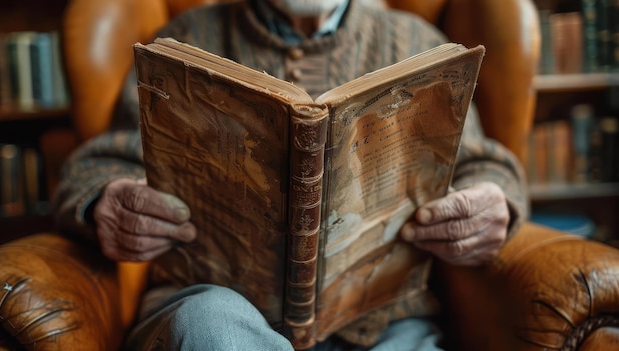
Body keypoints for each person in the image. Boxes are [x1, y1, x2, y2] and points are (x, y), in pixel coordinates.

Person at [53, 0, 529, 350]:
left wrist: (492, 201)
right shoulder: (184, 41)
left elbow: (486, 164)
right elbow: (96, 164)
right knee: (208, 325)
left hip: (385, 325)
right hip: (219, 314)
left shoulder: (419, 44)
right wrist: (106, 201)